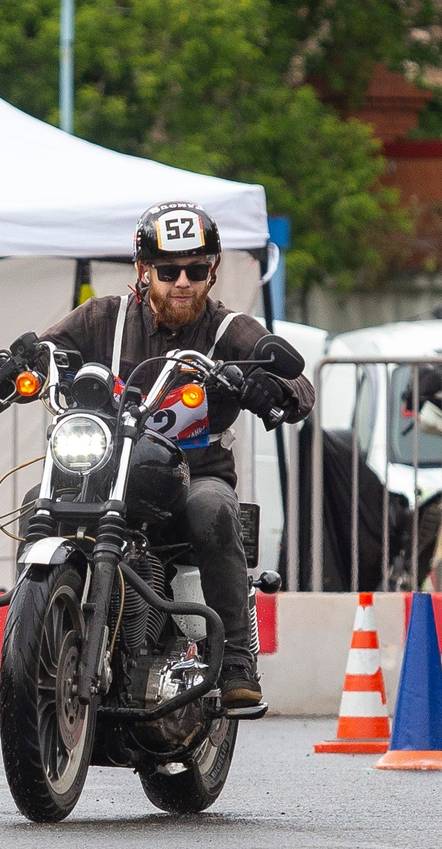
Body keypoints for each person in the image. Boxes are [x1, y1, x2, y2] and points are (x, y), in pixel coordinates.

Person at [38, 201, 313, 709]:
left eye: (195, 269)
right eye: (168, 271)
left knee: (213, 508)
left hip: (196, 474)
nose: (182, 281)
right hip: (109, 473)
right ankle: (29, 646)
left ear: (212, 271)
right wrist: (10, 365)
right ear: (144, 272)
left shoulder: (230, 330)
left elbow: (299, 385)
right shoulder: (105, 317)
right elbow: (44, 349)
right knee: (43, 497)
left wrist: (267, 386)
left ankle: (235, 661)